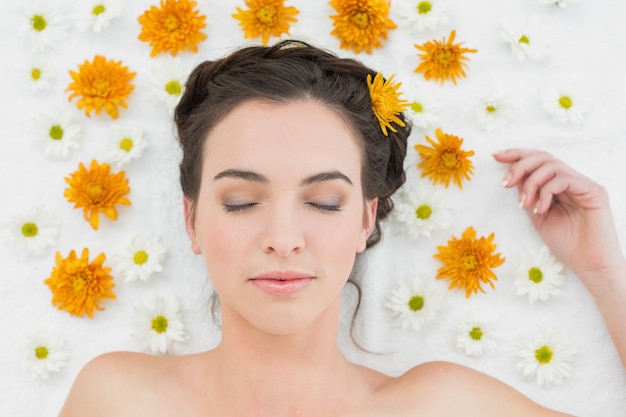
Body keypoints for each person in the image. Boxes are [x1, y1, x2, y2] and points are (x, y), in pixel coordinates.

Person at [58, 40, 626, 417]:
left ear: (365, 218)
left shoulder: (440, 406)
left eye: (324, 202)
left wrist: (605, 273)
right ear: (192, 220)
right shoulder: (118, 398)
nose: (284, 237)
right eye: (240, 202)